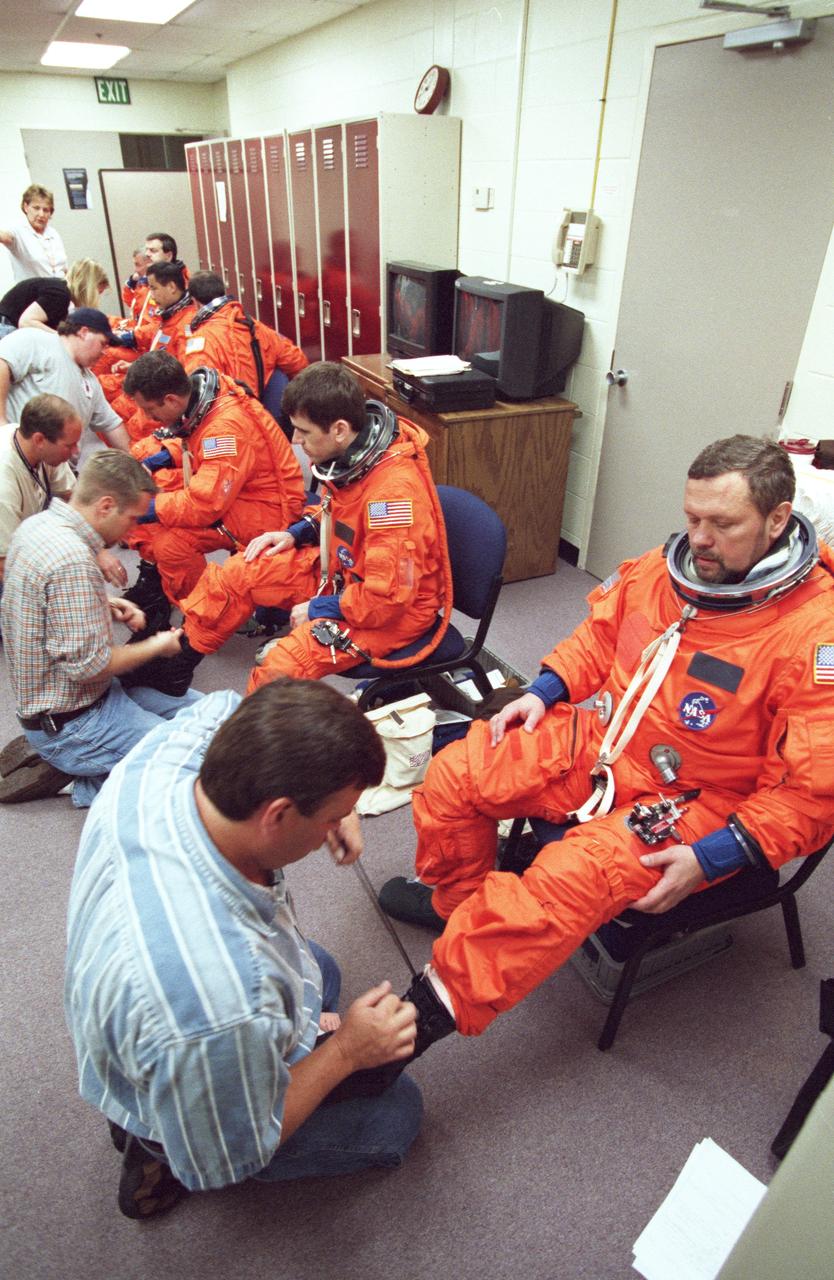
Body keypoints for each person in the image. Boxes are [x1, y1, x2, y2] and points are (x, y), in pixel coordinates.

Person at [375, 435, 834, 1048]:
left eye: (722, 524)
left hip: (702, 804)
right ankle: (459, 907)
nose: (699, 538)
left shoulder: (816, 637)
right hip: (608, 743)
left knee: (564, 878)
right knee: (457, 772)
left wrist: (712, 857)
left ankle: (414, 1027)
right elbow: (596, 641)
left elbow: (812, 794)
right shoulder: (660, 572)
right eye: (692, 517)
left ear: (779, 520)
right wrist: (542, 691)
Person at [65, 679, 423, 1220]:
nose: (341, 824)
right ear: (277, 815)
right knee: (400, 1114)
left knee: (319, 967)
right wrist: (347, 1049)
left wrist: (336, 799)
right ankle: (156, 1146)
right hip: (190, 1048)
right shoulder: (221, 996)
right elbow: (234, 1151)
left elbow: (227, 704)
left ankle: (186, 1092)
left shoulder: (166, 758)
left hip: (139, 1015)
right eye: (332, 816)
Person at [176, 361, 451, 690]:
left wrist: (320, 607)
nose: (295, 440)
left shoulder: (392, 499)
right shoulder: (356, 460)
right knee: (241, 570)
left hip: (390, 612)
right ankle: (181, 659)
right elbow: (342, 512)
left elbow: (387, 600)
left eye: (304, 432)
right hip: (347, 577)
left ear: (338, 429)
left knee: (279, 669)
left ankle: (251, 737)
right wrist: (296, 533)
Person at [0, 451, 201, 806]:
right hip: (75, 723)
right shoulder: (74, 562)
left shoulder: (38, 526)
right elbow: (90, 666)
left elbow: (38, 597)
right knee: (189, 771)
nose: (134, 530)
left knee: (204, 710)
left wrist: (104, 602)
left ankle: (93, 762)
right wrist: (157, 645)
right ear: (106, 506)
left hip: (88, 701)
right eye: (133, 518)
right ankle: (78, 777)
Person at [119, 351, 306, 647]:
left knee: (171, 545)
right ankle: (206, 608)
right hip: (241, 497)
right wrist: (160, 458)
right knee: (165, 530)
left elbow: (203, 505)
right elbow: (197, 442)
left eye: (151, 411)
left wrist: (144, 509)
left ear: (171, 400)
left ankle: (210, 615)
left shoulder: (225, 427)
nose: (149, 419)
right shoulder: (209, 397)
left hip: (267, 514)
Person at [0, 310, 131, 464]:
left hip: (55, 474)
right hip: (15, 456)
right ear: (84, 332)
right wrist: (2, 425)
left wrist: (135, 462)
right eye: (102, 343)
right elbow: (2, 364)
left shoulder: (91, 382)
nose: (104, 352)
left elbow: (111, 424)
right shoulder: (37, 340)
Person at [183, 270, 307, 396]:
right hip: (261, 410)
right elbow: (297, 361)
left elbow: (197, 392)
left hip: (233, 412)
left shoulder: (201, 341)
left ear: (195, 303)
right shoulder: (254, 326)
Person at [0, 259, 110, 339]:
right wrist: (62, 340)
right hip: (6, 326)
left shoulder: (59, 292)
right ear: (88, 288)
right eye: (97, 293)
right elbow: (26, 322)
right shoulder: (59, 294)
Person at [0, 184, 67, 282]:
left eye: (46, 210)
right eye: (36, 208)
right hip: (34, 295)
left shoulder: (53, 234)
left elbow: (64, 269)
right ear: (26, 207)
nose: (41, 214)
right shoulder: (18, 232)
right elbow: (5, 237)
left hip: (59, 292)